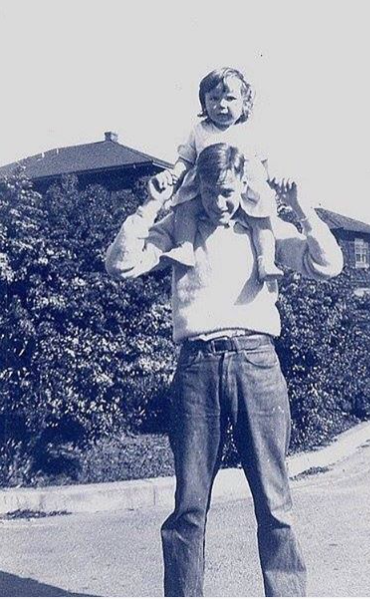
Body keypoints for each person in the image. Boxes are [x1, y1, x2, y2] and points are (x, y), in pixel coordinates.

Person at [105, 143, 343, 597]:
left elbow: (328, 265)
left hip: (257, 362)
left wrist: (302, 210)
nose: (221, 203)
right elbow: (120, 264)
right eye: (212, 193)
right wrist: (151, 203)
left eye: (230, 193)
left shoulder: (265, 229)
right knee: (189, 507)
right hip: (197, 366)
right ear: (198, 189)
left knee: (274, 502)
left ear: (244, 188)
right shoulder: (179, 226)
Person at [148, 67, 283, 281]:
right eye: (214, 98)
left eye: (230, 98)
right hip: (207, 186)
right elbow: (185, 159)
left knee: (262, 219)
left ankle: (266, 260)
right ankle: (185, 247)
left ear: (244, 102)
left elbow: (265, 162)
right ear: (204, 102)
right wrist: (174, 175)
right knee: (185, 208)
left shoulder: (250, 132)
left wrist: (273, 180)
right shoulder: (199, 130)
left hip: (245, 187)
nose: (221, 105)